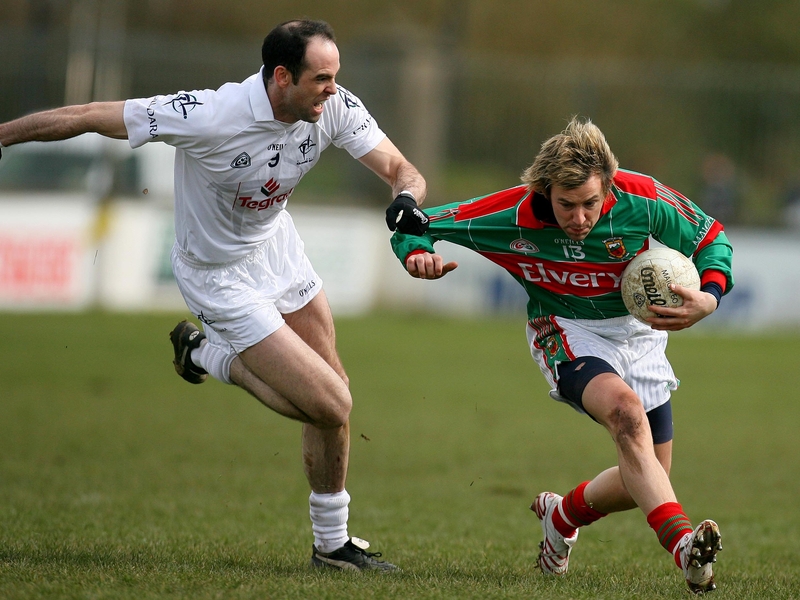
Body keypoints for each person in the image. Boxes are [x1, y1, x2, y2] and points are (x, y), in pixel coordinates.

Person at [0, 19, 430, 572]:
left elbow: (401, 168)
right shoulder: (208, 114)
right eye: (321, 77)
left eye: (335, 76)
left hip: (278, 252)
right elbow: (87, 115)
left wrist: (407, 201)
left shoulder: (333, 107)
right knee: (333, 404)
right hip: (216, 276)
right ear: (282, 77)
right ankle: (212, 354)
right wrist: (5, 135)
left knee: (332, 397)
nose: (334, 88)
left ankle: (332, 545)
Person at [390, 116, 732, 593]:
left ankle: (561, 514)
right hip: (565, 329)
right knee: (625, 414)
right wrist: (415, 255)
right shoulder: (509, 212)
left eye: (591, 203)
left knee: (650, 475)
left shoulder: (643, 197)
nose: (579, 218)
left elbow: (711, 237)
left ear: (608, 186)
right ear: (544, 191)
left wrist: (710, 297)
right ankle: (683, 549)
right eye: (566, 205)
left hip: (641, 331)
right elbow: (417, 224)